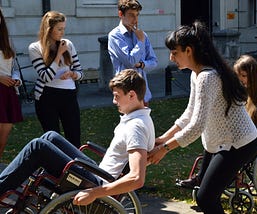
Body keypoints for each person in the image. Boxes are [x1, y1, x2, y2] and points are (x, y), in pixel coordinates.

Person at [147, 21, 257, 213]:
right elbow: (189, 114)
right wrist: (161, 139)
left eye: (175, 52)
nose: (171, 57)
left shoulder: (207, 77)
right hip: (219, 142)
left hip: (238, 144)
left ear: (189, 51)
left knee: (206, 198)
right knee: (206, 195)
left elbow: (196, 126)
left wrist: (164, 149)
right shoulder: (197, 74)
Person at [0, 69, 155, 206]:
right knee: (50, 136)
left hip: (96, 183)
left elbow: (136, 178)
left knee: (38, 146)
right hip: (98, 172)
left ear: (132, 95)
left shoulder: (136, 127)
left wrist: (94, 193)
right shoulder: (139, 118)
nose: (114, 101)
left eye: (117, 96)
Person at [177, 55, 257, 189]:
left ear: (254, 75)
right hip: (247, 131)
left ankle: (223, 176)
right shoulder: (241, 90)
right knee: (218, 138)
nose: (241, 80)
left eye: (244, 76)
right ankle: (202, 177)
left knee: (237, 145)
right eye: (238, 76)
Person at [28, 11, 84, 148]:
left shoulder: (68, 44)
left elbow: (81, 72)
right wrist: (58, 54)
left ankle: (75, 168)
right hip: (47, 96)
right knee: (53, 139)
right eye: (59, 29)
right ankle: (55, 169)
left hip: (69, 95)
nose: (62, 32)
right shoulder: (35, 48)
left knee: (74, 137)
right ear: (49, 29)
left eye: (64, 28)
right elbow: (46, 77)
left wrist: (73, 74)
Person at [108, 0, 158, 106]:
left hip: (143, 93)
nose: (135, 19)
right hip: (125, 92)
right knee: (130, 122)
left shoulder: (141, 35)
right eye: (131, 15)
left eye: (137, 15)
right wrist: (140, 42)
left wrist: (141, 64)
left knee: (144, 122)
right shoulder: (115, 36)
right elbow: (130, 62)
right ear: (121, 14)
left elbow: (154, 61)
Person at [0, 8, 23, 158]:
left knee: (4, 134)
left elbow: (13, 67)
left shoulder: (6, 39)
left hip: (7, 91)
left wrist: (16, 79)